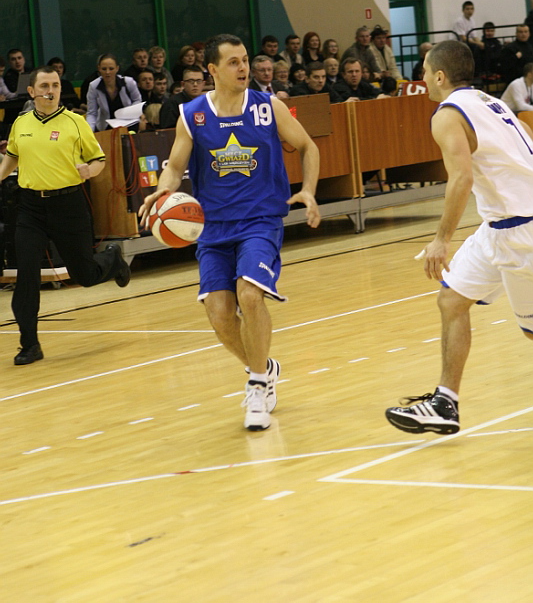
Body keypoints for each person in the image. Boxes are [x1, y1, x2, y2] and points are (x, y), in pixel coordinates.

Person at [139, 33, 320, 431]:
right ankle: (263, 367)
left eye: (245, 61)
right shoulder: (193, 115)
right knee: (219, 314)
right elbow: (174, 166)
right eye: (234, 62)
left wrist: (308, 190)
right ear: (213, 69)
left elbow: (309, 147)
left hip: (260, 220)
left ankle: (257, 385)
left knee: (250, 295)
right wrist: (164, 189)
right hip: (213, 227)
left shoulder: (267, 107)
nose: (243, 68)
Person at [385, 40, 533, 435]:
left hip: (521, 229)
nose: (420, 77)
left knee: (530, 331)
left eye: (424, 70)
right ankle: (445, 404)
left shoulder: (447, 114)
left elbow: (462, 178)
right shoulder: (491, 102)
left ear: (439, 76)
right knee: (452, 299)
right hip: (499, 225)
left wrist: (441, 239)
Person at [0, 66, 131, 365]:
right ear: (31, 91)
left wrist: (89, 170)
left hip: (68, 206)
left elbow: (98, 160)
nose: (51, 90)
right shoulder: (20, 123)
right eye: (44, 85)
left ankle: (112, 259)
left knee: (84, 275)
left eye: (55, 85)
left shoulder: (75, 122)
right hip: (30, 207)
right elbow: (12, 159)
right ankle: (29, 345)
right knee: (27, 276)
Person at [86, 53, 142, 132]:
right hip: (105, 126)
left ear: (117, 68)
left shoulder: (128, 82)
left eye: (111, 69)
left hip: (129, 124)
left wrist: (130, 112)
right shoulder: (93, 86)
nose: (107, 72)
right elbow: (92, 113)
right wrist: (89, 131)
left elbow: (137, 100)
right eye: (104, 69)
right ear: (99, 69)